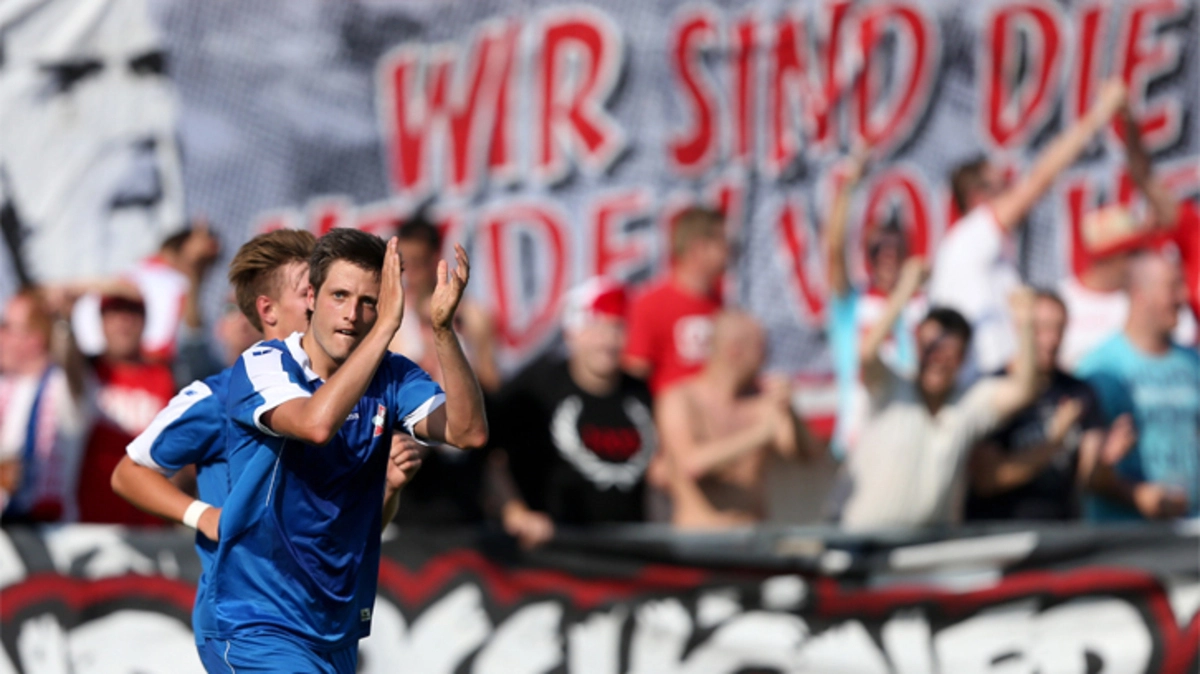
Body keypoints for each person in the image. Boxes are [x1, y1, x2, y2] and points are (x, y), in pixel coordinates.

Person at [112, 229, 423, 659]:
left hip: (324, 626)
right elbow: (128, 472)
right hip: (253, 624)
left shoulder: (349, 401)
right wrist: (203, 516)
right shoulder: (221, 396)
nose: (325, 301)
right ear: (268, 310)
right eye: (310, 289)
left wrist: (387, 491)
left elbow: (342, 531)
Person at [199, 229, 487, 672]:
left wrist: (443, 331)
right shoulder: (265, 363)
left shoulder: (392, 375)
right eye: (339, 296)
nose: (353, 315)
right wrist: (386, 326)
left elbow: (468, 432)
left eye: (370, 302)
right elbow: (315, 425)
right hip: (259, 622)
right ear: (311, 297)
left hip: (336, 627)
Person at [929, 79, 1127, 380]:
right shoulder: (972, 234)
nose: (1012, 192)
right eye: (1002, 186)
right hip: (977, 387)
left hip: (999, 385)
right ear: (977, 198)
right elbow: (1040, 179)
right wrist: (1101, 112)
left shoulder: (991, 254)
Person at [836, 260, 1039, 531]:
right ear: (917, 347)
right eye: (930, 347)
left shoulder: (969, 403)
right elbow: (866, 354)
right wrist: (905, 292)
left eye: (949, 351)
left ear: (963, 357)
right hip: (861, 541)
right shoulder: (891, 386)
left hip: (927, 548)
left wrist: (1025, 323)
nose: (938, 359)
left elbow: (1023, 389)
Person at [488, 277, 657, 549]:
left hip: (627, 554)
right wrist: (515, 511)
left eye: (617, 328)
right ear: (572, 333)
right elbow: (484, 450)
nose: (608, 341)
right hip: (550, 553)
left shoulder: (640, 393)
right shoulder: (537, 387)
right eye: (597, 328)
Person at [1058, 107, 1196, 369]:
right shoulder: (1062, 302)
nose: (1144, 258)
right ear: (1111, 258)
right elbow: (1146, 178)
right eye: (1135, 253)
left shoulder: (1152, 302)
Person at [655, 311, 814, 528]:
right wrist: (760, 433)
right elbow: (691, 464)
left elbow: (803, 454)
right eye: (761, 347)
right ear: (734, 350)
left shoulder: (761, 401)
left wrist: (790, 410)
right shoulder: (680, 400)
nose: (767, 357)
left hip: (754, 538)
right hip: (698, 540)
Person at [388, 215, 499, 526]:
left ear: (435, 259)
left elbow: (491, 384)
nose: (411, 274)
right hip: (415, 454)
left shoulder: (472, 317)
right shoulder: (391, 320)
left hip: (461, 453)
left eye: (419, 263)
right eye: (405, 264)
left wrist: (454, 365)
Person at [1076, 251, 1199, 521]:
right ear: (1140, 293)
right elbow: (1081, 467)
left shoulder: (1193, 363)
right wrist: (1136, 494)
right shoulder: (1100, 367)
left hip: (1190, 530)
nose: (1183, 297)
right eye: (1173, 287)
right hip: (1126, 535)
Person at [964, 291, 1107, 521]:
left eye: (1058, 329)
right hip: (1003, 528)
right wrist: (1054, 443)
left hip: (1062, 530)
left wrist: (1106, 461)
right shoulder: (994, 389)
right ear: (1021, 328)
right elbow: (988, 478)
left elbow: (1086, 479)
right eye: (1042, 329)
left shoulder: (1078, 392)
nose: (1052, 340)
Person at [825, 148, 926, 457]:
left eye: (897, 246)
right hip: (860, 441)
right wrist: (849, 186)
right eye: (880, 246)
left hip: (909, 439)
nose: (888, 254)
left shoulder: (922, 305)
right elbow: (834, 247)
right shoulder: (852, 302)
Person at [75, 292, 176, 525]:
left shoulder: (167, 376)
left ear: (145, 321)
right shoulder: (82, 373)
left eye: (132, 313)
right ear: (101, 322)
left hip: (149, 520)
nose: (123, 322)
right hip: (86, 519)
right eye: (114, 314)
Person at [0, 288, 89, 522]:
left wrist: (65, 320)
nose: (1, 336)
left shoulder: (62, 387)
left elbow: (75, 370)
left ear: (35, 338)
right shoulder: (6, 386)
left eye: (7, 327)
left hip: (53, 528)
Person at [624, 207, 727, 395]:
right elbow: (636, 372)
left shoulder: (721, 305)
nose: (729, 250)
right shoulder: (650, 304)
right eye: (722, 242)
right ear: (698, 248)